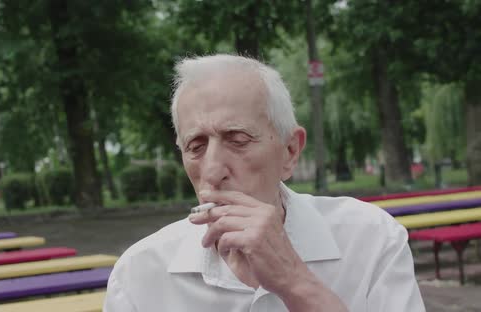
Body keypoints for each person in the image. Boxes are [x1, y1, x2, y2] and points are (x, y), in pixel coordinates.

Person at [104, 54, 425, 311]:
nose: (213, 170)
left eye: (237, 139)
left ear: (290, 151)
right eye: (196, 146)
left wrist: (296, 284)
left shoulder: (369, 238)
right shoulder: (140, 273)